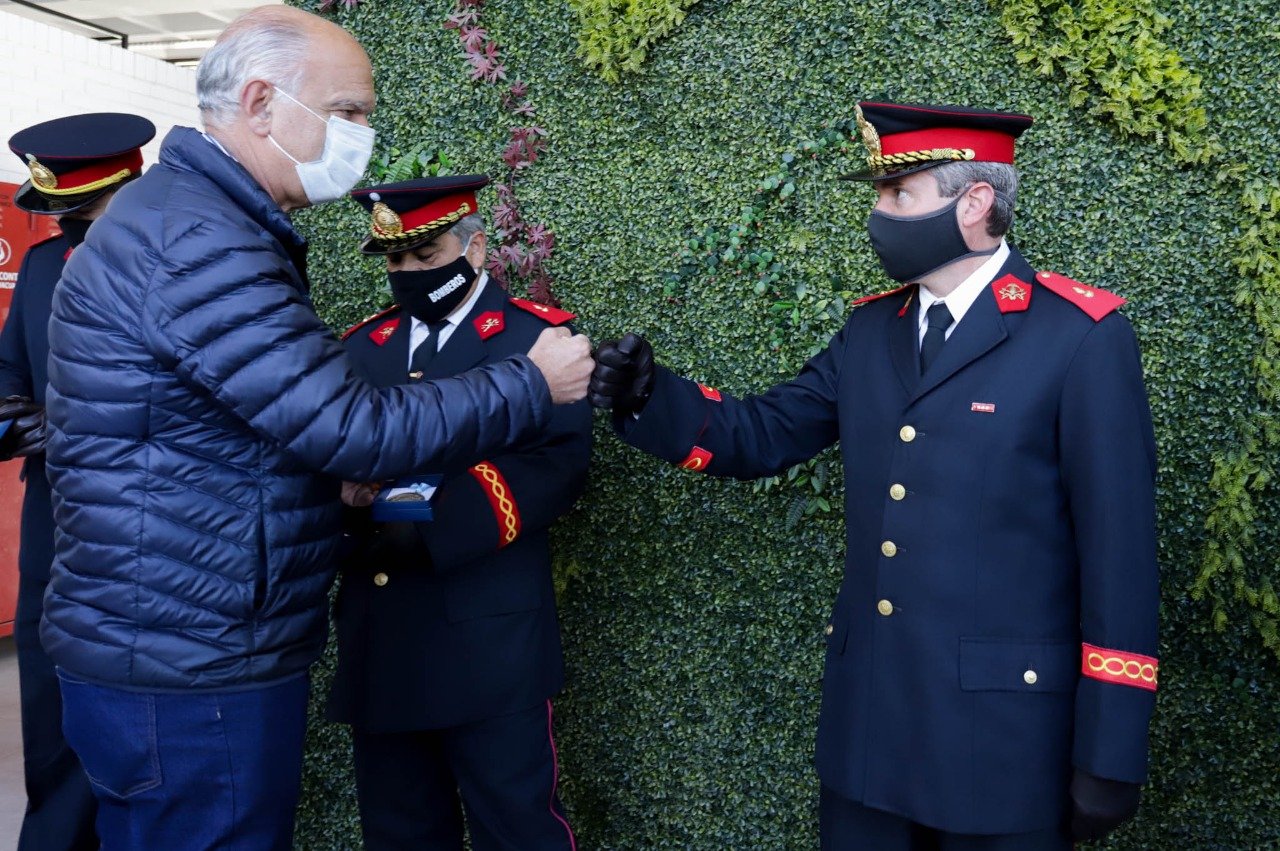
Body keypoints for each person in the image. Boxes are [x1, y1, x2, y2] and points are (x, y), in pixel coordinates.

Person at [39, 7, 592, 850]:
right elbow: (349, 424)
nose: (363, 136)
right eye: (349, 113)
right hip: (194, 662)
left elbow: (216, 433)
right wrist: (531, 380)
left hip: (176, 637)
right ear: (261, 102)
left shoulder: (188, 219)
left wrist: (319, 481)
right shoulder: (201, 239)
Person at [588, 101, 1159, 850]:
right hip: (872, 741)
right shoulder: (871, 329)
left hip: (1004, 749)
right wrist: (649, 397)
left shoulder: (1077, 338)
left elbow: (1121, 560)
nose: (879, 215)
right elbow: (765, 431)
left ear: (974, 202)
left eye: (899, 194)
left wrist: (1110, 752)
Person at [326, 175, 590, 850]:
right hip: (383, 637)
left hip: (488, 642)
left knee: (518, 829)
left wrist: (430, 527)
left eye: (425, 255)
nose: (409, 273)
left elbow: (555, 465)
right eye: (395, 260)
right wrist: (351, 509)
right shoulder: (360, 349)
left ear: (474, 251)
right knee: (400, 832)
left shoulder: (534, 341)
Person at [0, 111, 155, 851]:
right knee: (49, 716)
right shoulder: (40, 266)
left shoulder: (172, 263)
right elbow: (10, 370)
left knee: (133, 733)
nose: (68, 228)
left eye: (80, 212)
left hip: (143, 535)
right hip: (53, 530)